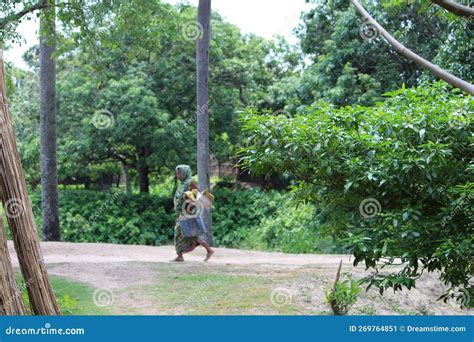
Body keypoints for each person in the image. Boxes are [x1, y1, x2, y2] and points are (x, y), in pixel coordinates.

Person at [172, 164, 214, 262]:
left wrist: (191, 203)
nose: (177, 175)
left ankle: (208, 250)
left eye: (179, 173)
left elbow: (197, 195)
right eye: (177, 173)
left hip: (189, 214)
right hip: (181, 214)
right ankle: (181, 255)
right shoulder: (182, 184)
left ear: (184, 173)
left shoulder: (189, 183)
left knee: (187, 234)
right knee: (186, 235)